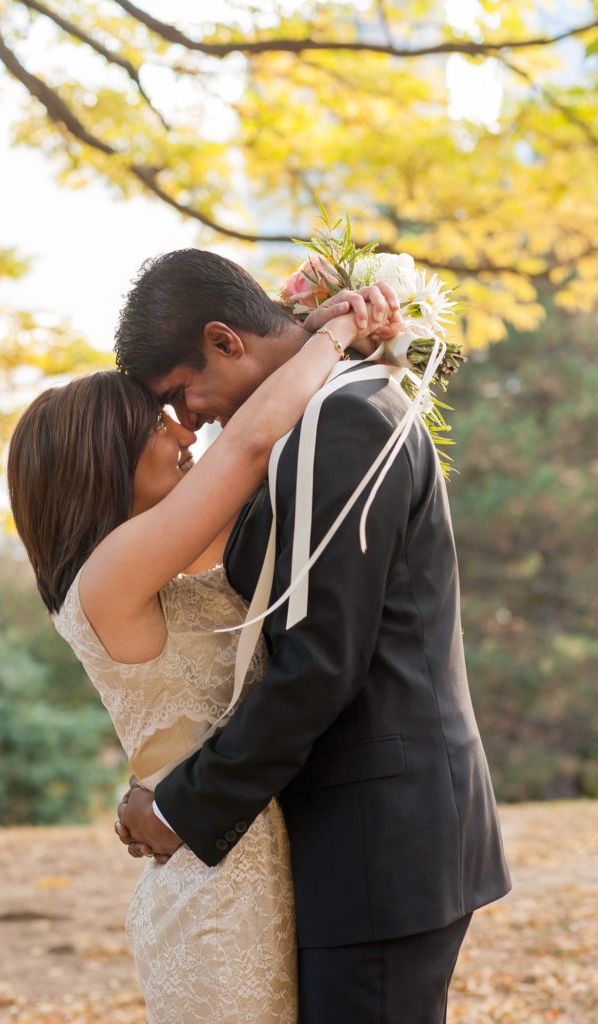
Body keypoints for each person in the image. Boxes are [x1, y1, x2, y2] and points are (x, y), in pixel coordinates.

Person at [113, 249, 512, 1024]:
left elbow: (320, 661)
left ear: (225, 340)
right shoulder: (318, 416)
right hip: (358, 833)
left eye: (180, 392)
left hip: (382, 836)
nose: (187, 419)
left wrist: (178, 809)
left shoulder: (344, 419)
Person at [7, 290, 397, 1024]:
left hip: (254, 855)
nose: (186, 432)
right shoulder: (109, 571)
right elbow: (247, 447)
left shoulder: (161, 552)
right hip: (215, 896)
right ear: (105, 456)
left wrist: (282, 328)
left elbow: (261, 443)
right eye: (160, 423)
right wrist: (336, 332)